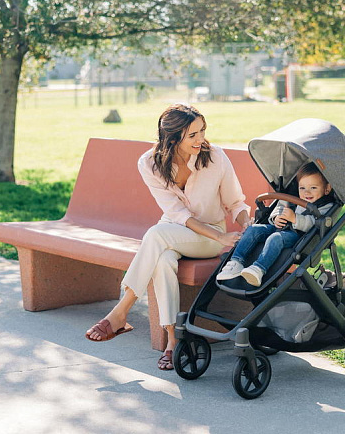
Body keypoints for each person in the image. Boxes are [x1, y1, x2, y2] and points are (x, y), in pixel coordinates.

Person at [85, 104, 252, 370]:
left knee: (155, 235)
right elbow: (176, 214)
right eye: (192, 135)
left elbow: (235, 202)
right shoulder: (149, 163)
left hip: (210, 236)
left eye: (202, 131)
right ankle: (173, 341)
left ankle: (121, 312)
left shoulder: (215, 157)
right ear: (172, 137)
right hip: (173, 230)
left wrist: (246, 226)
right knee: (162, 260)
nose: (201, 139)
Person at [216, 162, 334, 287]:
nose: (307, 192)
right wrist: (276, 218)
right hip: (279, 227)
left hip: (298, 236)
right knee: (253, 229)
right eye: (302, 188)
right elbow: (279, 207)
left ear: (327, 188)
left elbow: (316, 224)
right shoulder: (294, 196)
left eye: (313, 188)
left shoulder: (325, 205)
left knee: (276, 238)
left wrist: (295, 219)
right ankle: (236, 262)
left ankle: (258, 269)